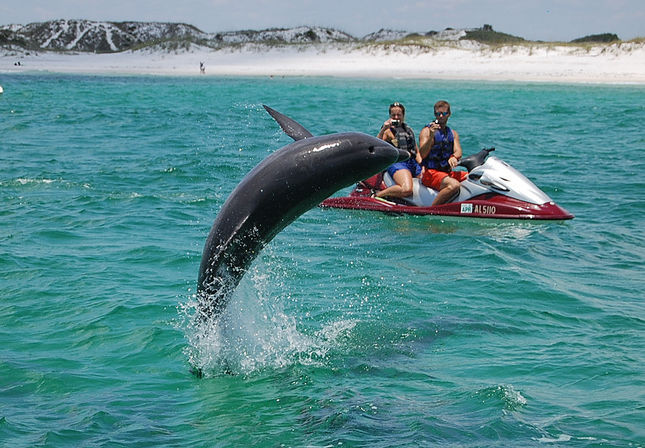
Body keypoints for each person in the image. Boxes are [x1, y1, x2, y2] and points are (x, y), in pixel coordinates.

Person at [418, 100, 468, 206]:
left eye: (443, 113)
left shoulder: (452, 133)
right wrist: (431, 136)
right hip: (430, 173)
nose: (440, 116)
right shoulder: (426, 131)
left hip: (446, 173)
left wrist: (454, 157)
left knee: (474, 176)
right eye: (437, 114)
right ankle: (432, 210)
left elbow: (458, 151)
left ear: (449, 114)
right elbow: (422, 154)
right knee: (454, 185)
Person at [374, 102, 422, 199]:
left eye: (399, 115)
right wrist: (383, 129)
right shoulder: (387, 131)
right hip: (397, 163)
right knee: (407, 189)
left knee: (429, 182)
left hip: (412, 163)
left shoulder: (408, 130)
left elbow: (415, 150)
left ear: (403, 116)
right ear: (390, 116)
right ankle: (378, 194)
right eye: (393, 115)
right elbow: (376, 145)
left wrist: (423, 164)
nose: (396, 117)